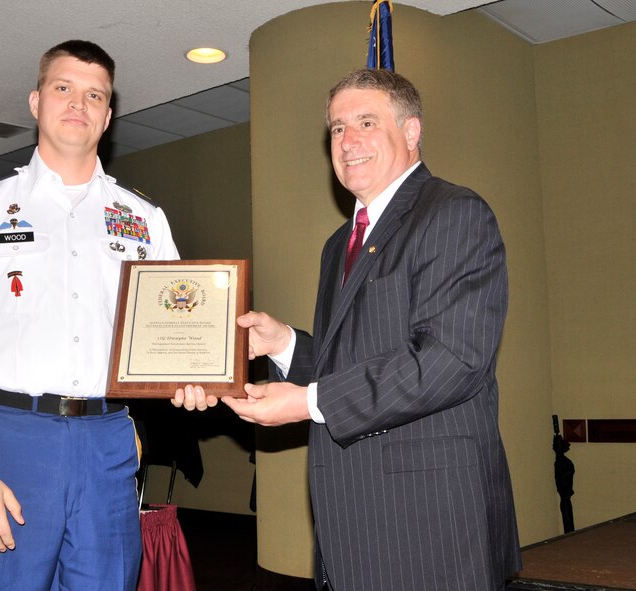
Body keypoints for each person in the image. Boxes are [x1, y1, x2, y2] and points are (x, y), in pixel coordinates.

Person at [175, 68, 521, 590]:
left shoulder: (454, 213)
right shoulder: (340, 243)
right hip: (350, 521)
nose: (348, 140)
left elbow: (451, 361)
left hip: (432, 527)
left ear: (411, 132)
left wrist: (307, 403)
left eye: (365, 122)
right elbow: (356, 361)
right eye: (337, 128)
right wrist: (286, 343)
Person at [0, 40, 181, 590]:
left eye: (94, 94)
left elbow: (172, 340)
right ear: (36, 102)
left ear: (107, 115)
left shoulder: (144, 219)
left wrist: (190, 380)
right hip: (7, 441)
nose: (79, 103)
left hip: (108, 440)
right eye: (63, 88)